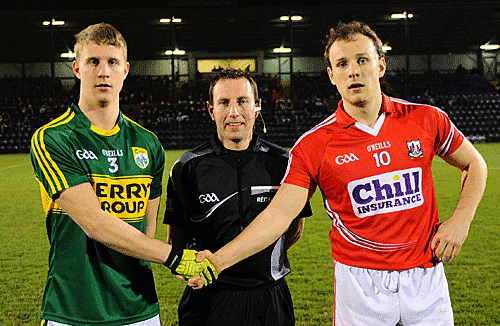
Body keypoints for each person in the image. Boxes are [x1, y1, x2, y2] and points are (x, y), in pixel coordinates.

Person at [201, 21, 488, 325]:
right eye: (342, 63)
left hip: (427, 277)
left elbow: (475, 165)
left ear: (380, 65)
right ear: (331, 75)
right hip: (360, 286)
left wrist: (460, 221)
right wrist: (219, 261)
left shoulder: (425, 119)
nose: (353, 71)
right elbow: (278, 216)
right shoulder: (313, 145)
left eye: (362, 60)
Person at [30, 23, 216, 326]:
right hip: (73, 311)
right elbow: (95, 224)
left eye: (112, 62)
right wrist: (176, 258)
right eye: (93, 62)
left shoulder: (148, 144)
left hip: (139, 311)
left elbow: (147, 231)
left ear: (125, 70)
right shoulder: (53, 139)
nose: (103, 71)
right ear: (77, 68)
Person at [163, 68, 312, 325]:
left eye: (242, 101)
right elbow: (177, 237)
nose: (234, 112)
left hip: (270, 299)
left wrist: (259, 261)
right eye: (224, 103)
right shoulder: (186, 167)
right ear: (211, 110)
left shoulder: (284, 163)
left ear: (257, 107)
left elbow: (295, 228)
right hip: (208, 300)